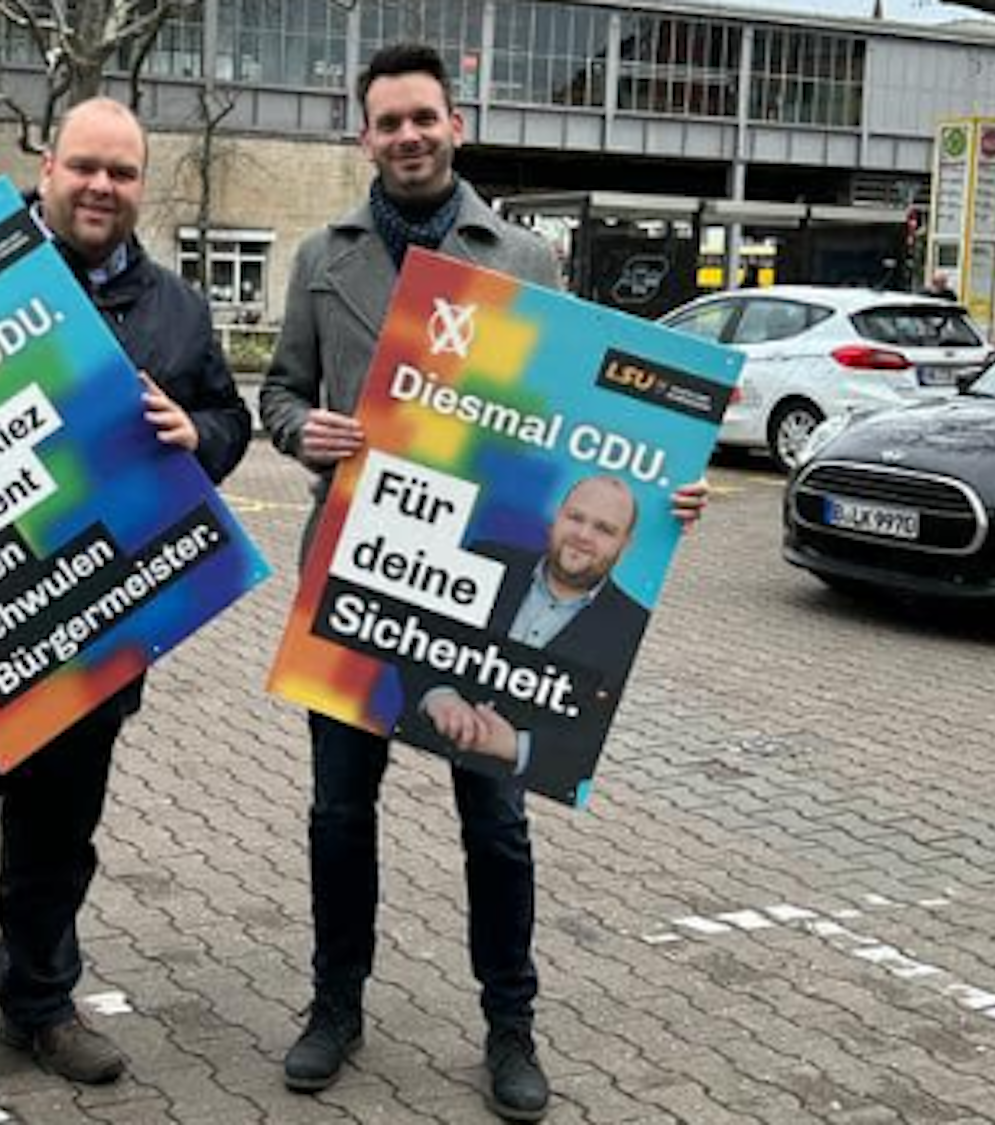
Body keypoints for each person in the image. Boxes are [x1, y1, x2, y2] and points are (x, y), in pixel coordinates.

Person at [257, 43, 708, 1123]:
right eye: (386, 122)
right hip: (364, 573)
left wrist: (663, 491)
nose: (405, 136)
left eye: (422, 118)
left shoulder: (525, 258)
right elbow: (278, 391)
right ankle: (334, 1006)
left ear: (455, 123)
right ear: (362, 136)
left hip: (493, 583)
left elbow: (592, 421)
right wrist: (298, 431)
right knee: (336, 813)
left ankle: (509, 1024)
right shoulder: (324, 256)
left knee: (495, 818)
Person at [0, 96, 251, 1125]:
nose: (100, 188)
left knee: (55, 836)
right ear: (45, 167)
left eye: (121, 173)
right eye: (85, 167)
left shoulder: (176, 310)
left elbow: (226, 418)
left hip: (91, 621)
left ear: (139, 186)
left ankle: (38, 1001)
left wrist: (195, 435)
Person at [396, 475, 651, 805]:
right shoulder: (484, 560)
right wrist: (438, 695)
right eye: (575, 518)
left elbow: (598, 735)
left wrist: (516, 746)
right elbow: (413, 633)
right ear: (556, 517)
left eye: (604, 529)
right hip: (411, 758)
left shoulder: (632, 627)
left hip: (517, 790)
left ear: (625, 544)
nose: (583, 535)